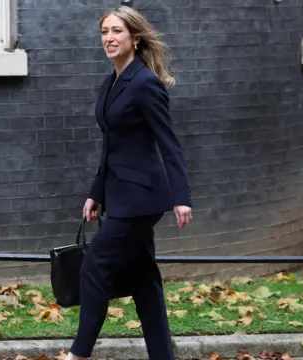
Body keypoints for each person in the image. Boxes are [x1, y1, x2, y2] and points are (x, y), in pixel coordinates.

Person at [65, 6, 193, 360]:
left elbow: (169, 144)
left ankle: (78, 354)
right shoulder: (111, 83)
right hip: (118, 193)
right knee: (143, 280)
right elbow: (112, 145)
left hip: (141, 198)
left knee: (95, 267)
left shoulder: (145, 84)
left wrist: (182, 197)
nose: (109, 38)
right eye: (104, 31)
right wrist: (96, 192)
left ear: (134, 38)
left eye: (117, 31)